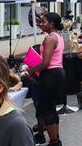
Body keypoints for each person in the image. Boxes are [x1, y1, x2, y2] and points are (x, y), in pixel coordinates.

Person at [24, 12, 66, 145]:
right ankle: (56, 139)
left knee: (46, 109)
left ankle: (54, 142)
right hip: (57, 73)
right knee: (51, 108)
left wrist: (28, 71)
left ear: (51, 23)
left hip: (51, 74)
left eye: (43, 21)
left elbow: (45, 63)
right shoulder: (58, 36)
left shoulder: (50, 39)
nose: (40, 24)